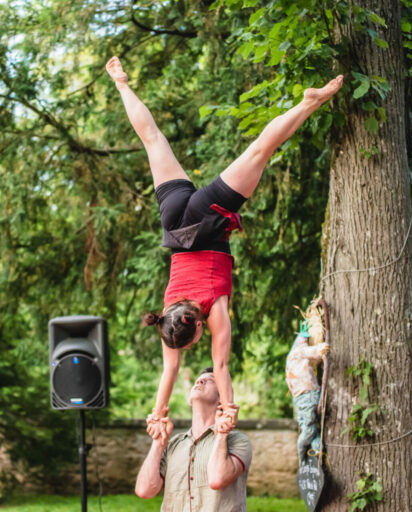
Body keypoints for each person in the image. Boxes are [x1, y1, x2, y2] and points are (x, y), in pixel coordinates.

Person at [106, 56, 343, 433]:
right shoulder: (168, 318)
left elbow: (221, 366)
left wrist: (228, 408)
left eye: (192, 342)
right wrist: (158, 412)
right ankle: (120, 82)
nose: (192, 346)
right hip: (175, 224)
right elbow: (169, 371)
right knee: (153, 140)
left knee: (258, 152)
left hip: (205, 219)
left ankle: (310, 101)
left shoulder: (212, 312)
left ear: (196, 326)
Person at [135, 367, 253, 511]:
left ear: (222, 398)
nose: (201, 380)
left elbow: (217, 479)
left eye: (210, 380)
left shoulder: (238, 441)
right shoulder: (173, 445)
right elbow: (145, 490)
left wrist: (221, 435)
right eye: (198, 380)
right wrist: (158, 442)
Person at [286, 299, 329, 461]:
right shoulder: (298, 352)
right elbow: (308, 352)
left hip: (306, 395)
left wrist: (318, 350)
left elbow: (310, 352)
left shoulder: (296, 356)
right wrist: (319, 349)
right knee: (310, 427)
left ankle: (311, 451)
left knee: (311, 426)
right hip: (305, 395)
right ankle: (306, 453)